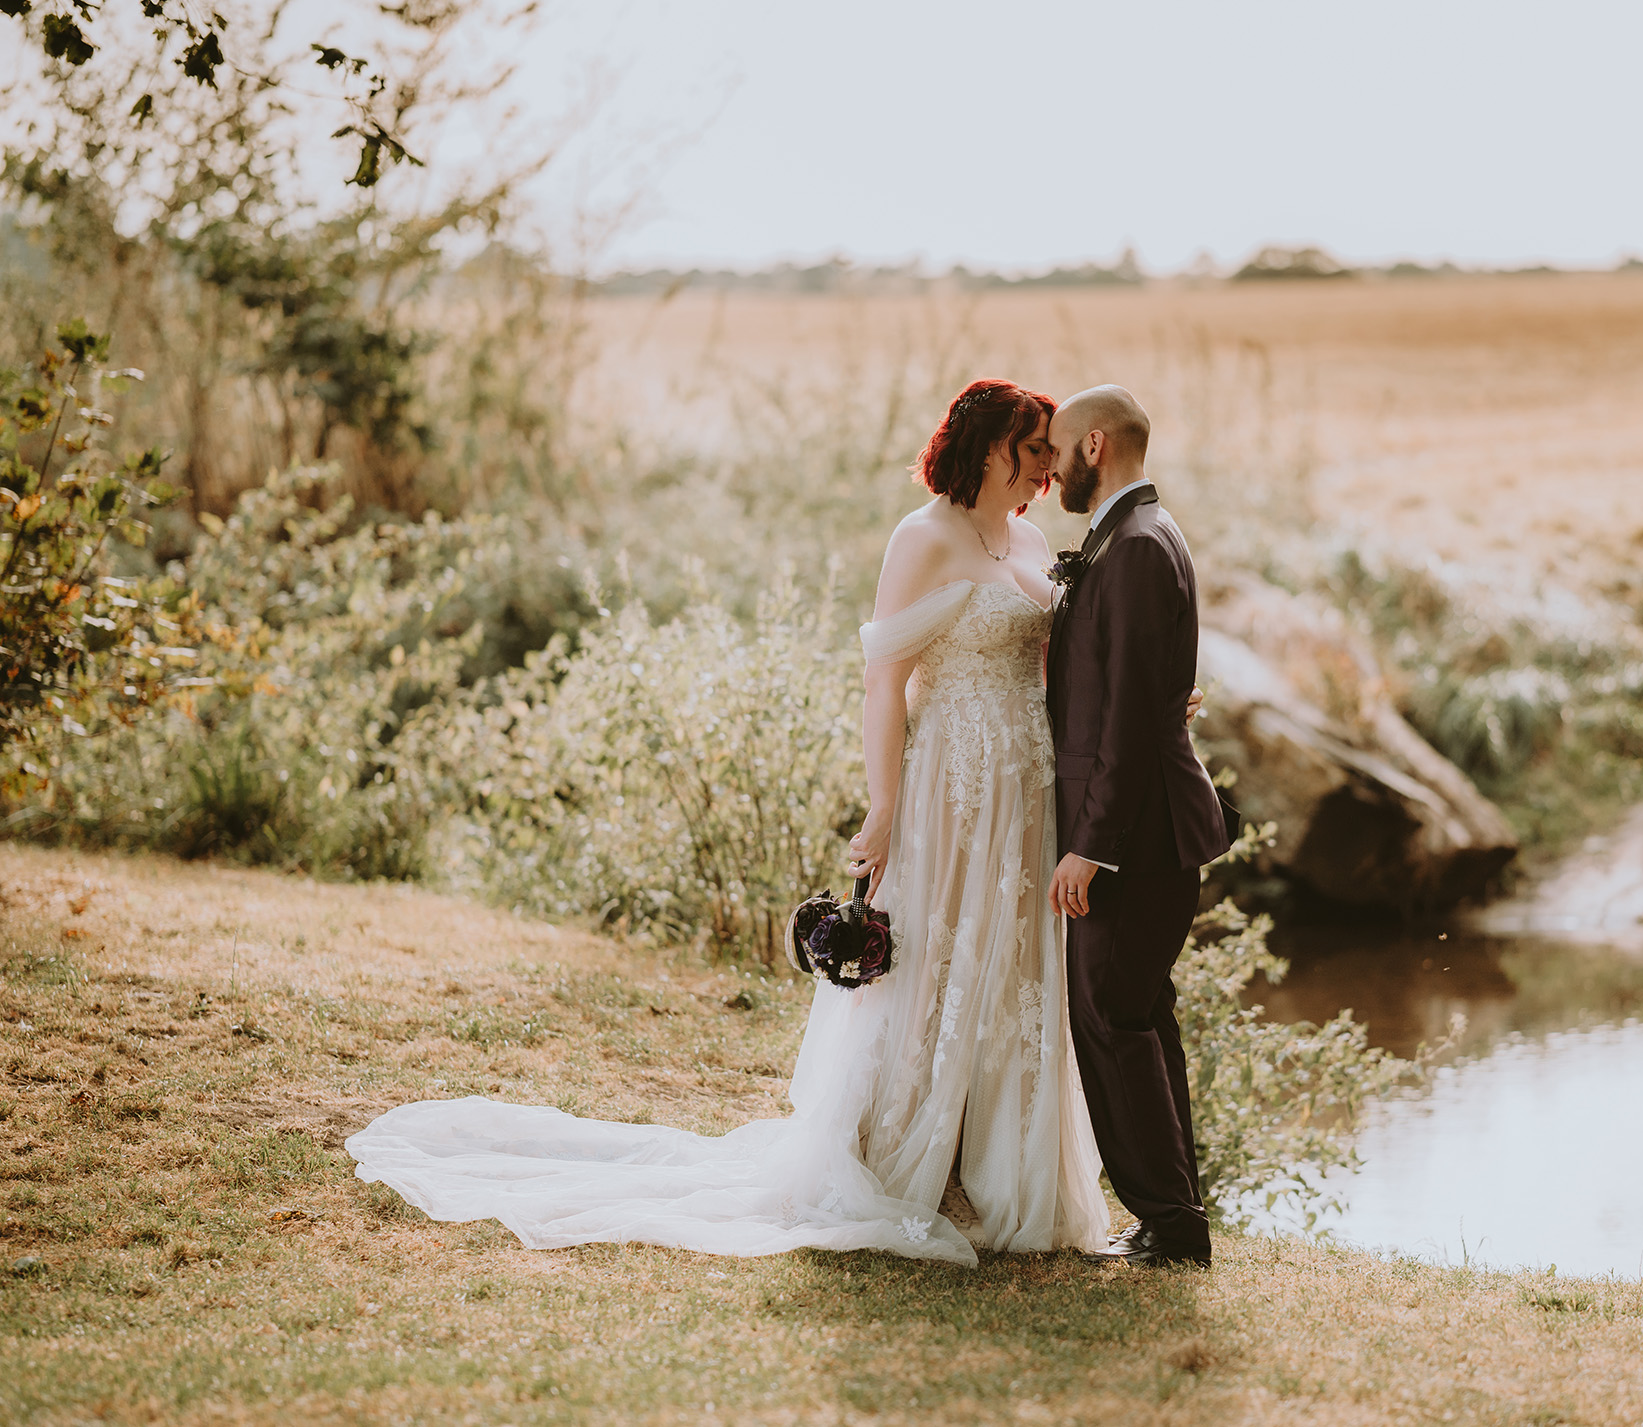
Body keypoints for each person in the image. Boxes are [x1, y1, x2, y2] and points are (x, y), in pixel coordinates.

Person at [346, 379, 1110, 1266]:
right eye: (1034, 449)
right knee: (936, 953)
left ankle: (1000, 1170)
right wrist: (888, 803)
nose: (1048, 467)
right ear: (988, 447)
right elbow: (883, 681)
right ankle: (913, 1157)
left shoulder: (1027, 537)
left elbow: (1052, 663)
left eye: (1052, 451)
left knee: (1009, 961)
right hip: (947, 783)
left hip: (1024, 785)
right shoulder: (923, 536)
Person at [1043, 384, 1232, 1268]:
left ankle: (1169, 1223)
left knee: (1112, 1018)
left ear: (1095, 444)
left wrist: (1091, 845)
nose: (1049, 469)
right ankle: (1174, 1217)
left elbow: (1121, 718)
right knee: (1141, 1017)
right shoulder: (1134, 538)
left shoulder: (1139, 547)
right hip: (1140, 826)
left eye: (1056, 448)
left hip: (1134, 836)